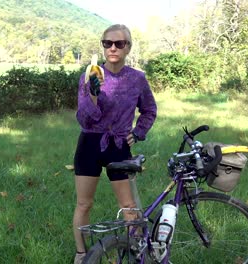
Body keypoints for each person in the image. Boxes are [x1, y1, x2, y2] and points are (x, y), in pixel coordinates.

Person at [72, 24, 157, 264]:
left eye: (119, 43)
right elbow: (84, 117)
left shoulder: (137, 78)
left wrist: (138, 132)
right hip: (89, 143)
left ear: (128, 47)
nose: (112, 48)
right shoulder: (91, 74)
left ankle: (138, 251)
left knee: (129, 205)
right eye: (107, 43)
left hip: (118, 146)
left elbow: (149, 110)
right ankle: (81, 254)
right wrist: (92, 95)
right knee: (84, 203)